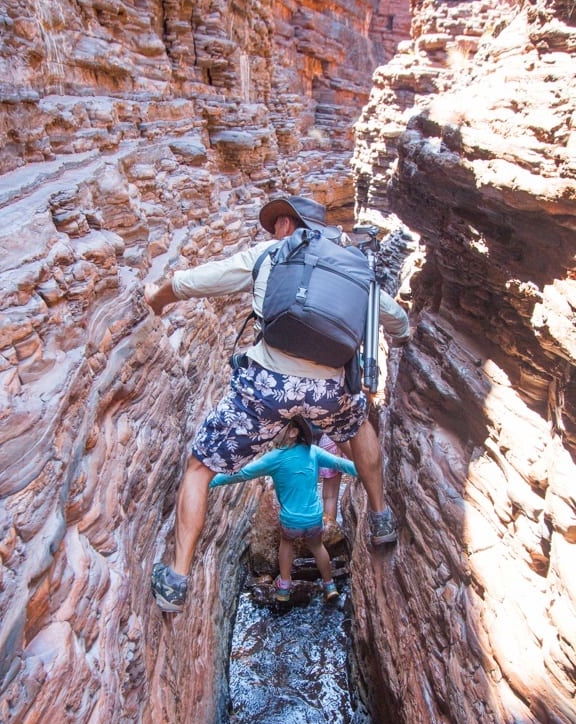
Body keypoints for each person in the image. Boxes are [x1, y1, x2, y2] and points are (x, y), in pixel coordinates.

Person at [144, 194, 410, 612]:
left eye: (275, 225)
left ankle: (176, 579)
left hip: (266, 386)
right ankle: (379, 517)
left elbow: (198, 280)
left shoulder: (272, 253)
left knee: (199, 468)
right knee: (360, 430)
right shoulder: (351, 268)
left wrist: (158, 298)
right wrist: (406, 337)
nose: (271, 232)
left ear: (287, 224)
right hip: (329, 388)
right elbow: (396, 320)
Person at [209, 416, 358, 603]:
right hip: (313, 519)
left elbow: (243, 473)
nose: (273, 429)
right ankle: (329, 585)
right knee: (317, 547)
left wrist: (211, 481)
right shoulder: (313, 452)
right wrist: (363, 471)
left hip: (291, 521)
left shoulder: (273, 459)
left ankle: (284, 587)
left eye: (279, 427)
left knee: (286, 544)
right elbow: (339, 463)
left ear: (293, 433)